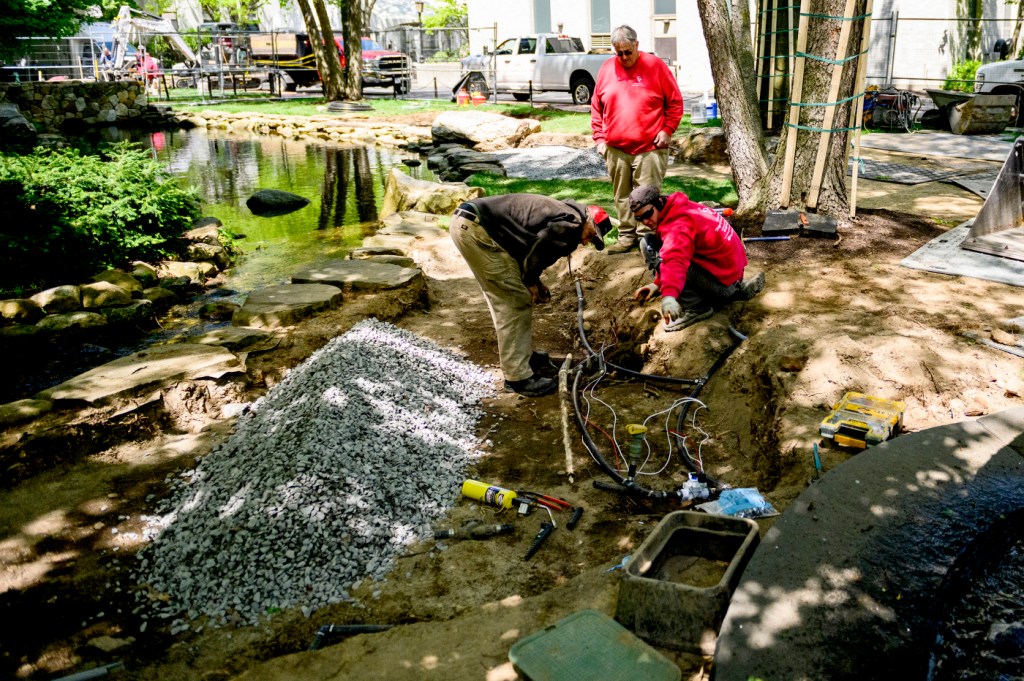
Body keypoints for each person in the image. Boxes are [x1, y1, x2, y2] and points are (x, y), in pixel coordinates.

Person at [450, 195, 612, 397]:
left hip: (473, 223)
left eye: (594, 240)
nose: (587, 242)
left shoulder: (567, 214)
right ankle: (517, 378)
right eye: (592, 235)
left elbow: (529, 247)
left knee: (509, 294)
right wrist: (530, 281)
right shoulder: (571, 225)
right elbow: (540, 246)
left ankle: (521, 355)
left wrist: (535, 281)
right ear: (589, 219)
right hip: (478, 230)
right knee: (514, 299)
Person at [591, 25, 683, 254]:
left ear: (636, 45)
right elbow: (596, 107)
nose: (623, 57)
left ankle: (647, 239)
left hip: (649, 147)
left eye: (627, 52)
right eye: (618, 52)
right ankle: (626, 236)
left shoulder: (655, 66)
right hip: (615, 148)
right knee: (622, 196)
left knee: (647, 196)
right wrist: (600, 140)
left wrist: (668, 130)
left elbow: (675, 102)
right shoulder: (606, 69)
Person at [629, 185, 765, 331]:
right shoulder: (680, 206)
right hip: (731, 275)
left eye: (648, 214)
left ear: (659, 203)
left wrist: (669, 296)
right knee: (651, 242)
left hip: (723, 284)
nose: (645, 221)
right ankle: (737, 290)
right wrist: (657, 284)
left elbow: (675, 262)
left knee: (652, 248)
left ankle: (697, 308)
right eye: (639, 218)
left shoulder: (678, 226)